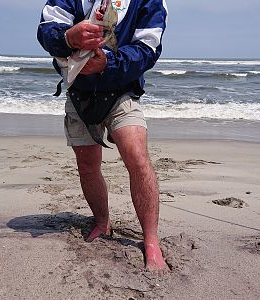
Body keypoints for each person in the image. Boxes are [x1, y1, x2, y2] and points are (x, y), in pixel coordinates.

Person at [37, 0, 168, 271]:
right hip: (78, 91)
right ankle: (101, 221)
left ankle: (151, 241)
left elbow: (148, 49)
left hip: (121, 90)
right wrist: (67, 37)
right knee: (87, 164)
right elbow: (47, 28)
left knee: (137, 156)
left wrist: (108, 63)